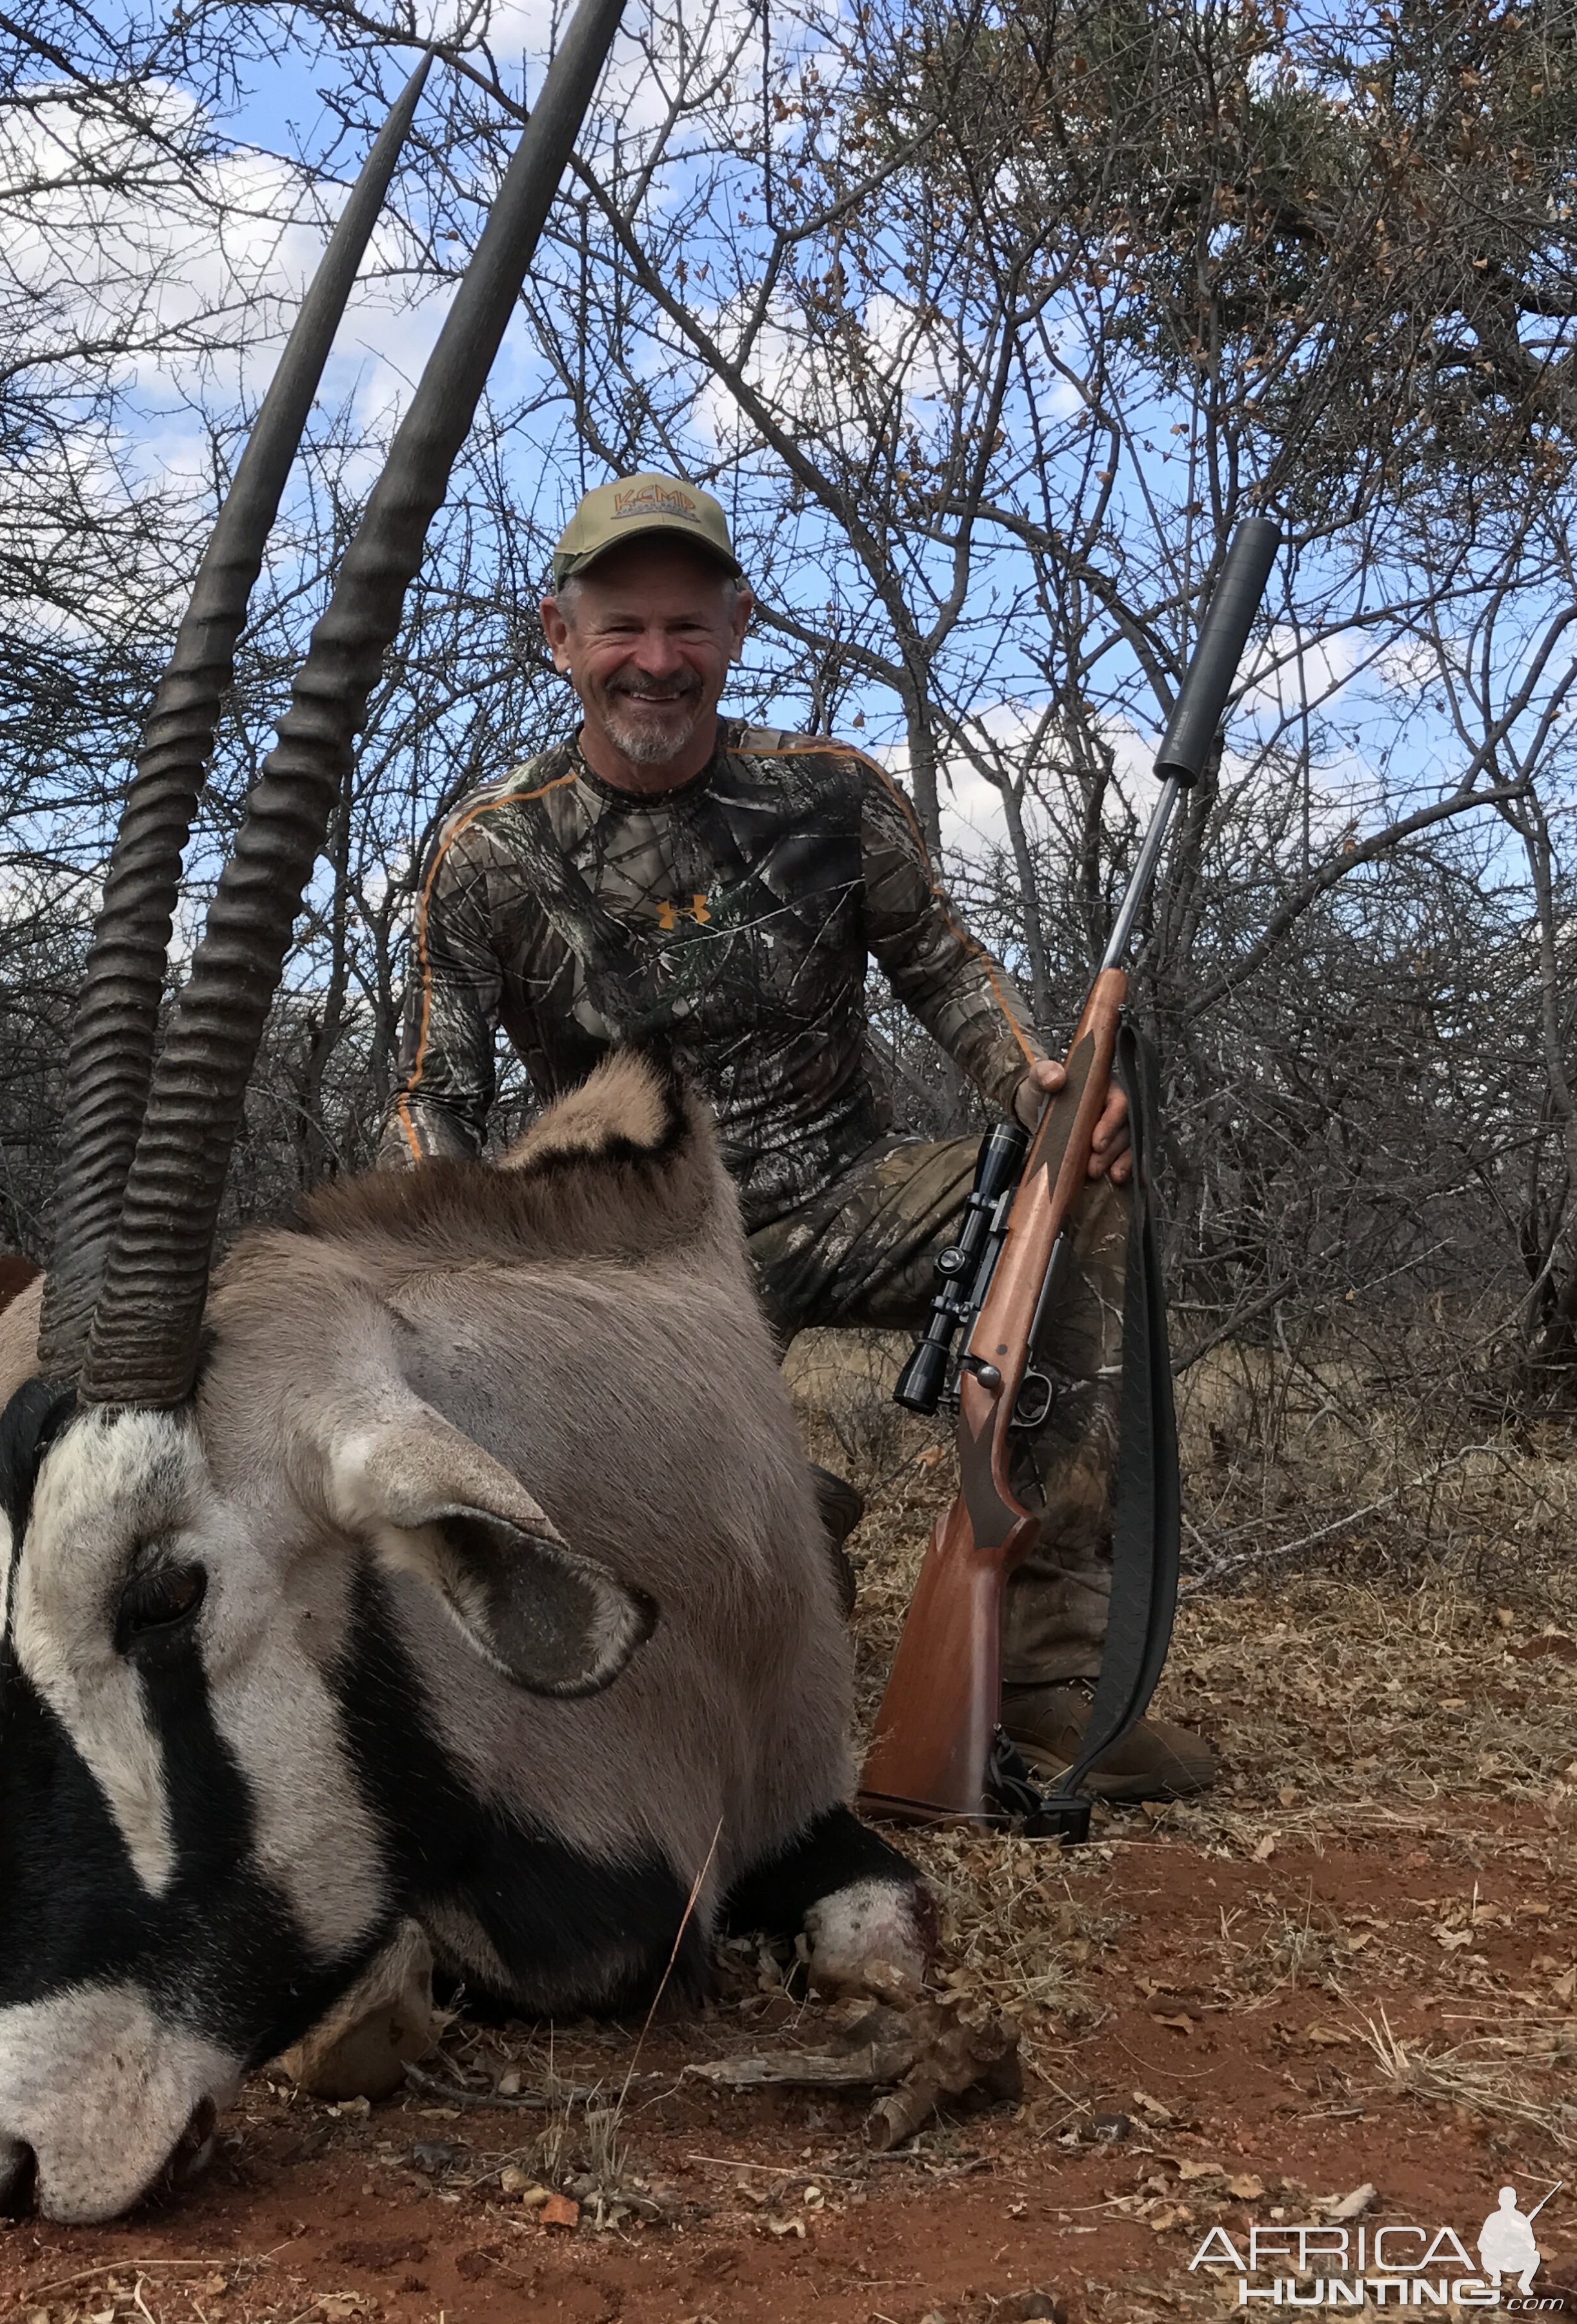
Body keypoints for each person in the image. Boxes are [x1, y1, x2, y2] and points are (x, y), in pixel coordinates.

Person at [380, 471, 1215, 1800]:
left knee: (1085, 1195)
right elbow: (437, 1092)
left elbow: (943, 966)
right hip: (636, 1259)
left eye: (688, 628)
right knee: (680, 1574)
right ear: (560, 638)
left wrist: (1040, 1091)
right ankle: (783, 1517)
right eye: (622, 630)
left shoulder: (827, 795)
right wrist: (461, 1264)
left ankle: (1053, 1674)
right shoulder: (491, 849)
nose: (657, 663)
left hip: (849, 1186)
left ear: (738, 627)